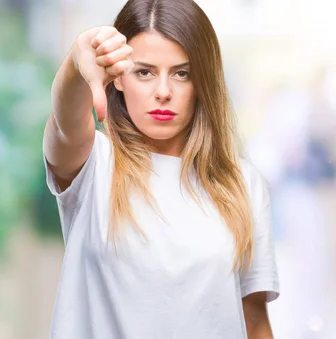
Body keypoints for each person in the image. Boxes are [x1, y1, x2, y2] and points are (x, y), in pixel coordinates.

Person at [42, 0, 279, 338]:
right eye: (144, 72)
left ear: (202, 82)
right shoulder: (94, 165)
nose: (164, 92)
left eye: (182, 73)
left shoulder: (241, 183)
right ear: (118, 78)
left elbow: (254, 321)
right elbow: (65, 124)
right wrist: (75, 65)